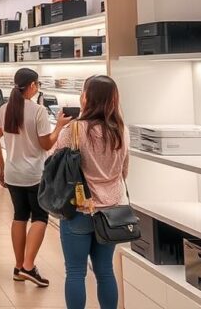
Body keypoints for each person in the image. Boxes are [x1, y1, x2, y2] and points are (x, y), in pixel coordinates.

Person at [54, 75, 130, 309]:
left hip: (79, 209)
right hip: (112, 212)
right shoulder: (121, 130)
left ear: (86, 97)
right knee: (105, 270)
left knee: (75, 272)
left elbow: (54, 163)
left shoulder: (75, 129)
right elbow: (124, 171)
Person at [0, 68, 69, 287]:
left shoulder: (5, 109)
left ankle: (18, 267)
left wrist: (2, 167)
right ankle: (28, 266)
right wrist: (60, 126)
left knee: (19, 216)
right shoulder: (38, 111)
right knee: (40, 217)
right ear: (33, 86)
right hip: (35, 173)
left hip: (13, 172)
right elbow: (46, 144)